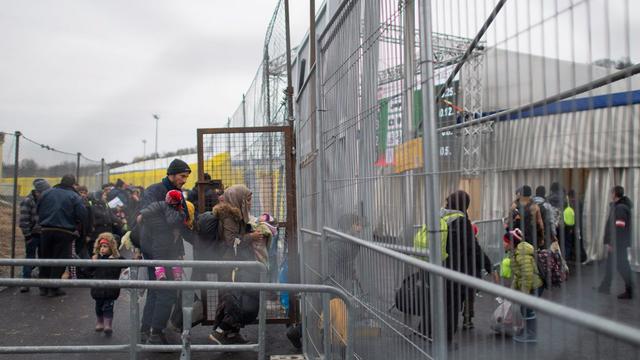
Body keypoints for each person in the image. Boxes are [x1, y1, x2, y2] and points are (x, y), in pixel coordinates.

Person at [138, 158, 192, 343]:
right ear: (171, 173)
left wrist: (181, 246)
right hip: (155, 248)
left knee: (156, 289)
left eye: (186, 177)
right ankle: (155, 332)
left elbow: (183, 222)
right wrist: (172, 225)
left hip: (168, 248)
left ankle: (147, 328)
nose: (184, 180)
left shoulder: (177, 193)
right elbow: (147, 217)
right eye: (182, 176)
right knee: (166, 291)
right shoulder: (154, 191)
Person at [208, 184, 265, 345]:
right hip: (229, 264)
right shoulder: (228, 216)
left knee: (234, 298)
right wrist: (251, 237)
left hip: (234, 262)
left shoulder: (236, 214)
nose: (250, 202)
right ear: (238, 199)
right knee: (233, 300)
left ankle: (232, 334)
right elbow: (231, 241)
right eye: (248, 199)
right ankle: (220, 332)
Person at [37, 174, 87, 297]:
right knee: (60, 259)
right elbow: (82, 214)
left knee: (45, 258)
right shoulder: (74, 196)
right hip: (65, 231)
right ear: (72, 184)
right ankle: (54, 288)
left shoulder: (47, 193)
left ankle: (43, 287)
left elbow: (39, 209)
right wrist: (79, 227)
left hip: (46, 230)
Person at [597, 186, 634, 300]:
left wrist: (613, 244)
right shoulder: (619, 207)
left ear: (615, 194)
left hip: (619, 244)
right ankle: (605, 286)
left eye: (611, 192)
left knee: (622, 267)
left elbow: (619, 227)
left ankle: (630, 290)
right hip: (619, 243)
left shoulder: (620, 208)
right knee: (611, 265)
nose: (610, 194)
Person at [508, 228, 544, 343]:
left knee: (528, 309)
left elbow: (527, 275)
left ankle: (531, 335)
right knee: (525, 309)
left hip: (534, 286)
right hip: (530, 285)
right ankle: (526, 331)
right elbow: (518, 275)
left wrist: (524, 293)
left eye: (505, 241)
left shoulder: (522, 254)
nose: (503, 244)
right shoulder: (515, 253)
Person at [18, 178, 51, 292]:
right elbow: (23, 220)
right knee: (30, 258)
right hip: (33, 235)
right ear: (38, 191)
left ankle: (42, 283)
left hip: (44, 234)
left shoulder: (46, 200)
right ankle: (25, 282)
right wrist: (27, 235)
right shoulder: (28, 201)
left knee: (44, 259)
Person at [90, 233, 125, 335]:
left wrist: (116, 258)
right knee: (98, 307)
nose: (102, 249)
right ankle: (100, 322)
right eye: (100, 246)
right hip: (98, 290)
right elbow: (87, 270)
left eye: (105, 246)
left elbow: (127, 263)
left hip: (111, 290)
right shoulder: (97, 258)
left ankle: (107, 325)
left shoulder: (117, 259)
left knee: (108, 307)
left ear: (111, 247)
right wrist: (92, 262)